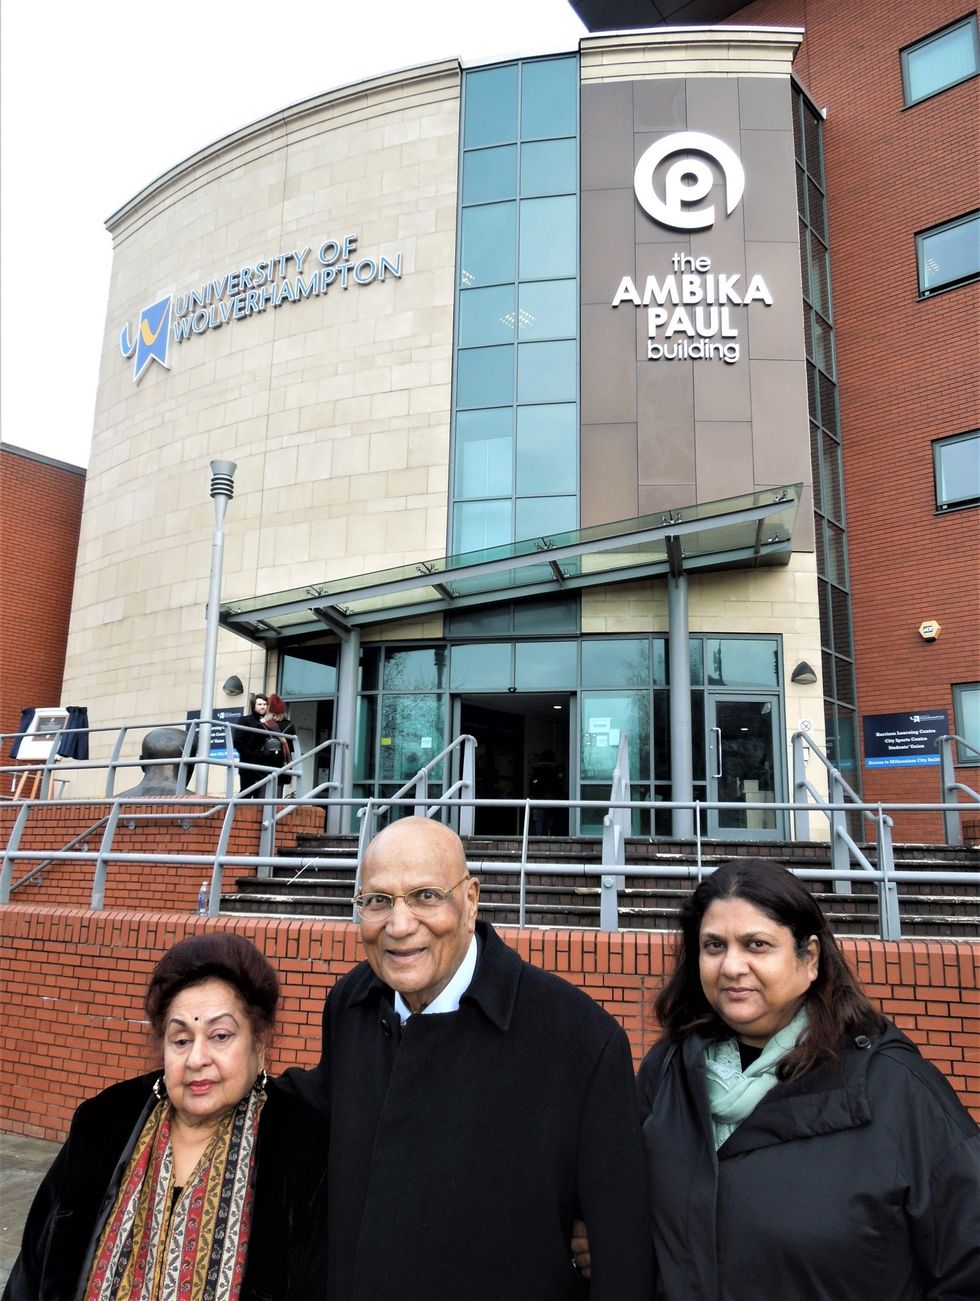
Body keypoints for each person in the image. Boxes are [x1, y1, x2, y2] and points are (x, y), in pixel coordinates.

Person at [575, 857, 980, 1299]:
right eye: (714, 946)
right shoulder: (668, 1071)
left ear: (809, 958)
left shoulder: (897, 1091)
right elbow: (628, 1205)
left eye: (757, 945)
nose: (731, 966)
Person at [285, 815, 652, 1300]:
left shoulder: (579, 1039)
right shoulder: (349, 1004)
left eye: (425, 897)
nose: (398, 925)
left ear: (471, 899)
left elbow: (622, 1257)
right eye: (377, 901)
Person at [4, 934, 328, 1301]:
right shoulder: (103, 1126)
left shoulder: (299, 1145)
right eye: (181, 1040)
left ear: (259, 1042)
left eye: (220, 1036)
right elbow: (30, 1273)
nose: (196, 1059)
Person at [234, 694, 281, 798]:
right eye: (259, 704)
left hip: (265, 765)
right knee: (246, 794)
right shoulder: (245, 720)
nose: (263, 707)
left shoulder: (270, 723)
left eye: (265, 704)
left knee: (261, 798)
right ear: (253, 706)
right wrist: (251, 754)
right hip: (248, 764)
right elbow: (238, 742)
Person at [266, 693, 297, 798]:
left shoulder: (265, 724)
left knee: (263, 790)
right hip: (282, 762)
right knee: (278, 790)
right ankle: (275, 812)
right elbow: (292, 748)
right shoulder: (290, 726)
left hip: (265, 761)